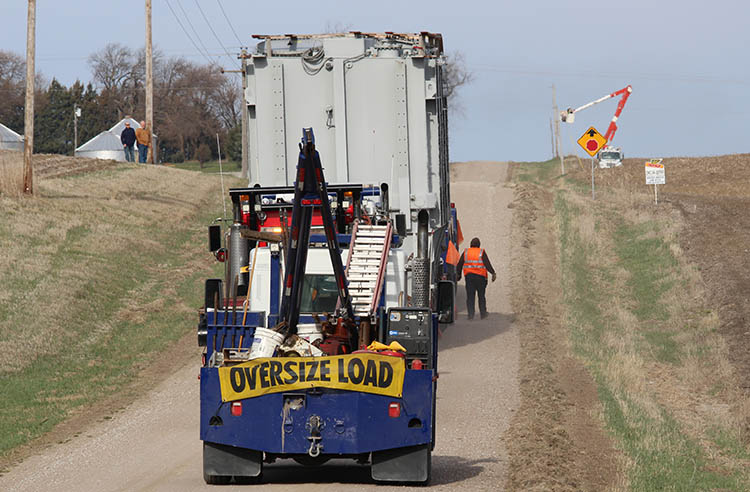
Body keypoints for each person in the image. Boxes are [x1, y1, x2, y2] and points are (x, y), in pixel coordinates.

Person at [456, 237, 497, 320]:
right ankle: (483, 314)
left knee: (470, 297)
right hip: (481, 277)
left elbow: (460, 264)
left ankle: (470, 315)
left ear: (470, 245)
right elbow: (487, 264)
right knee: (481, 296)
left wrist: (459, 275)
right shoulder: (481, 252)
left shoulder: (466, 252)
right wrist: (493, 273)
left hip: (469, 277)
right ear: (479, 245)